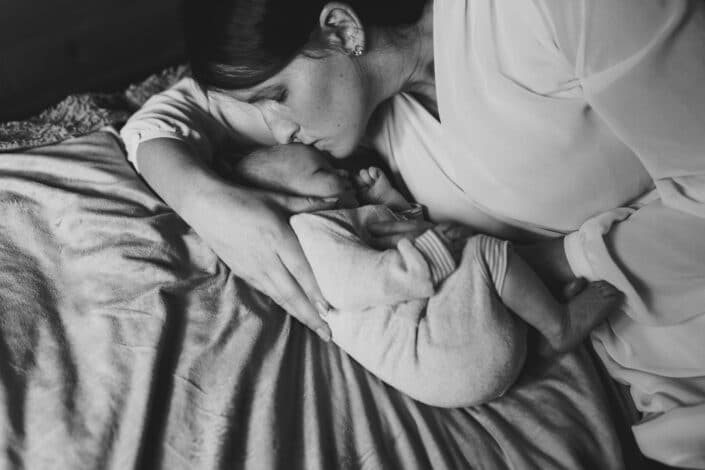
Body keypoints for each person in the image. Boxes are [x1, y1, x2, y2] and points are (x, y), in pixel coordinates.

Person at [120, 0, 705, 466]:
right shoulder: (353, 109)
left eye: (275, 98)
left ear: (342, 28)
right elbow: (157, 121)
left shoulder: (548, 14)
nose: (277, 131)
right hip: (635, 376)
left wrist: (550, 261)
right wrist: (214, 206)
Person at [228, 143, 621, 406]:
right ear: (294, 200)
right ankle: (558, 323)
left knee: (468, 263)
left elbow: (401, 236)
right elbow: (372, 281)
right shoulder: (312, 237)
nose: (340, 171)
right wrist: (436, 246)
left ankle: (536, 340)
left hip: (464, 361)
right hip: (440, 352)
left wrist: (389, 201)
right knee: (482, 252)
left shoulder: (342, 217)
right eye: (321, 171)